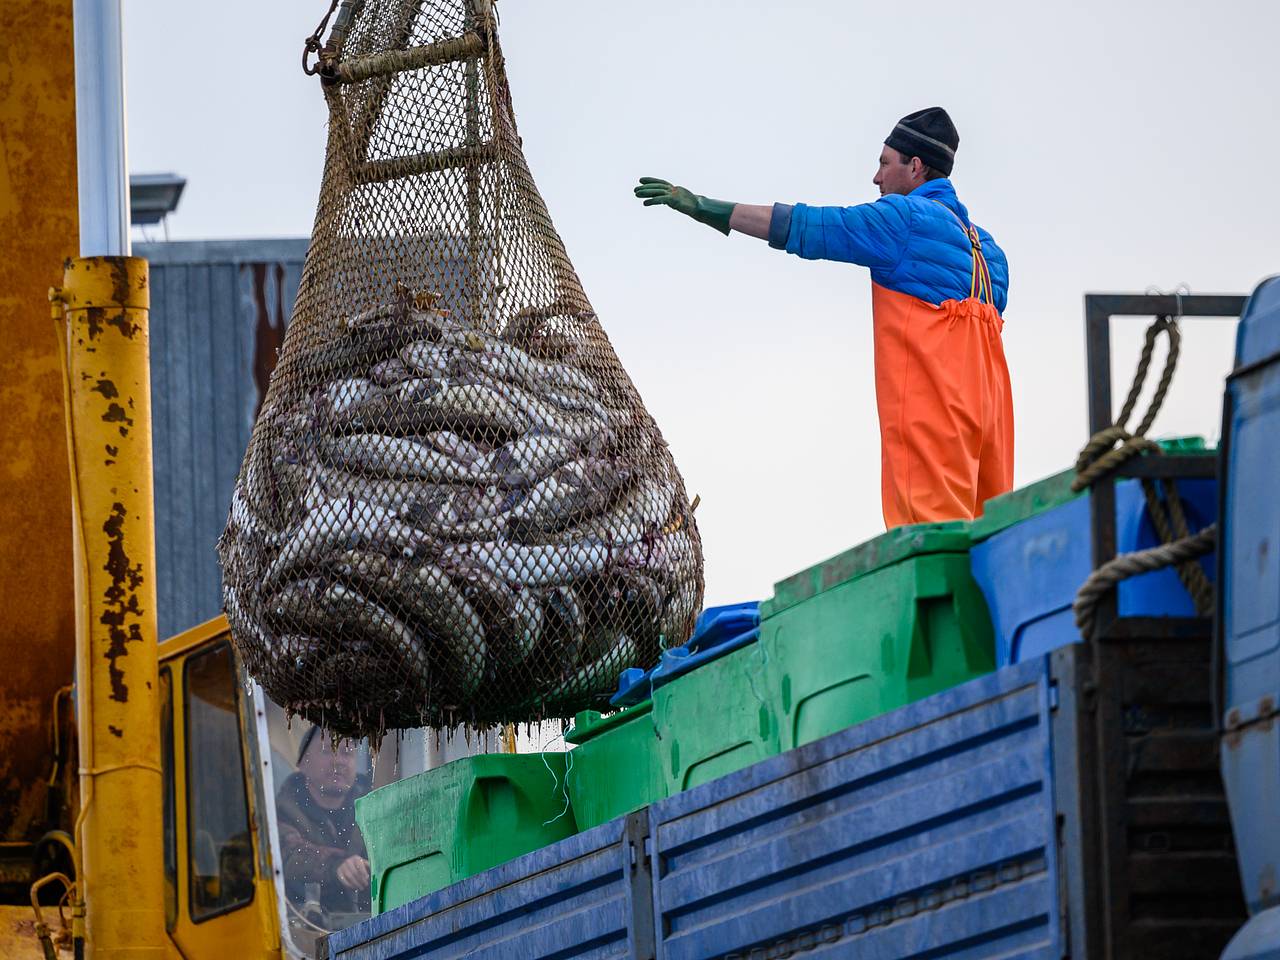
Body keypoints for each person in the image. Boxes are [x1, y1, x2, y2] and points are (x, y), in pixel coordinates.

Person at [635, 107, 1013, 528]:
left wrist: (705, 207)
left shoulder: (902, 221)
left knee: (930, 544)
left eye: (884, 163)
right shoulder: (991, 253)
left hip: (935, 418)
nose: (876, 178)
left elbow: (807, 226)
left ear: (916, 166)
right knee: (990, 539)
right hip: (989, 425)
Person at [276, 727, 372, 918]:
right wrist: (336, 866)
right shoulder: (279, 813)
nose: (338, 761)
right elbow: (287, 855)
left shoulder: (373, 808)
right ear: (303, 763)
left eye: (347, 753)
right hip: (304, 934)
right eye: (327, 751)